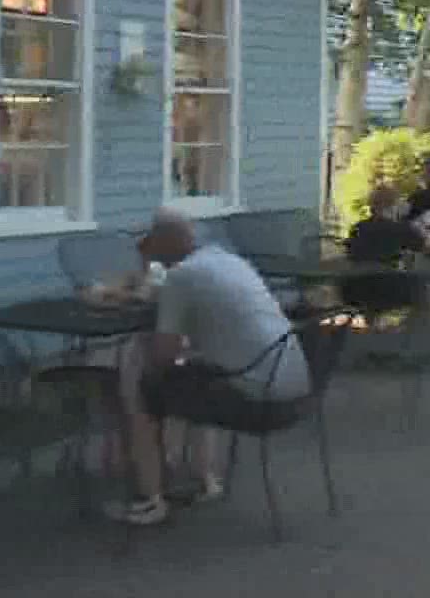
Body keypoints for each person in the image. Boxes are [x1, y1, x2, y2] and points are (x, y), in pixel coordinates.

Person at [105, 208, 310, 526]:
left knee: (139, 385)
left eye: (151, 240)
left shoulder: (182, 277)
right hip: (296, 390)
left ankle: (150, 499)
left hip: (257, 400)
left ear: (162, 242)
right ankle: (204, 478)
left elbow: (163, 356)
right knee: (199, 374)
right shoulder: (229, 261)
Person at [342, 185, 430, 316]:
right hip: (386, 288)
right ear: (392, 206)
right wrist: (420, 228)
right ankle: (421, 330)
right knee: (422, 286)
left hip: (352, 289)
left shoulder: (358, 227)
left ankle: (373, 323)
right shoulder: (400, 228)